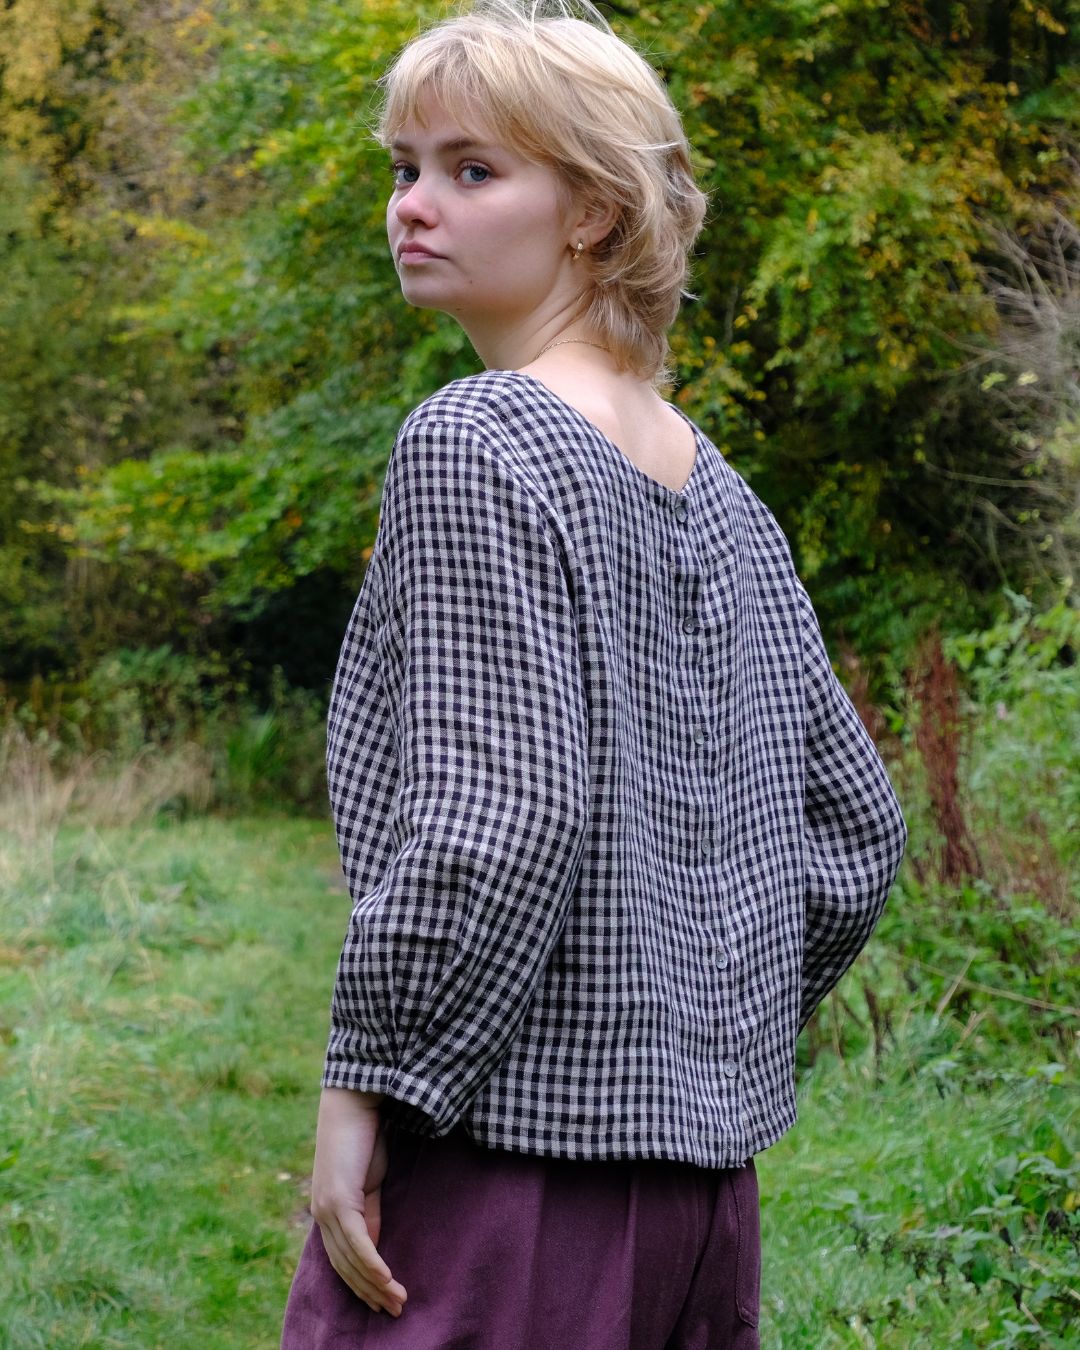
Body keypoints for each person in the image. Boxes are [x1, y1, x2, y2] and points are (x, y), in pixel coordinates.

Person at [281, 1, 908, 1346]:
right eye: (405, 167)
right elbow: (857, 830)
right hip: (703, 1213)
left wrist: (369, 1081)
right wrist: (700, 1028)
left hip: (506, 1183)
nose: (413, 206)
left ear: (595, 215)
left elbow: (497, 819)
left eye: (472, 168)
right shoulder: (722, 491)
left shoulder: (476, 440)